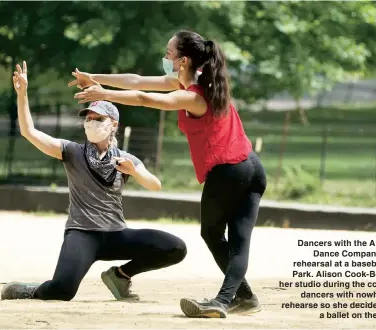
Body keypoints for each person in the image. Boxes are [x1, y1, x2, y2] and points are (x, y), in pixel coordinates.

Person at [69, 30, 267, 318]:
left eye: (168, 53)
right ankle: (244, 299)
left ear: (183, 61)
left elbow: (143, 98)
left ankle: (225, 301)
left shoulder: (194, 97)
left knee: (215, 235)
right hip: (251, 167)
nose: (165, 57)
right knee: (236, 240)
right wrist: (95, 78)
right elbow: (135, 82)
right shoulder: (198, 85)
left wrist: (103, 94)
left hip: (229, 172)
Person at [0, 61, 187, 302]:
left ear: (113, 125)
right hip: (82, 233)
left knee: (175, 248)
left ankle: (121, 275)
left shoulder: (125, 159)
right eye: (88, 117)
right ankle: (31, 290)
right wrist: (22, 94)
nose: (91, 122)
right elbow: (30, 132)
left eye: (99, 118)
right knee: (62, 291)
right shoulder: (72, 151)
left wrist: (136, 172)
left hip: (116, 234)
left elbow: (155, 185)